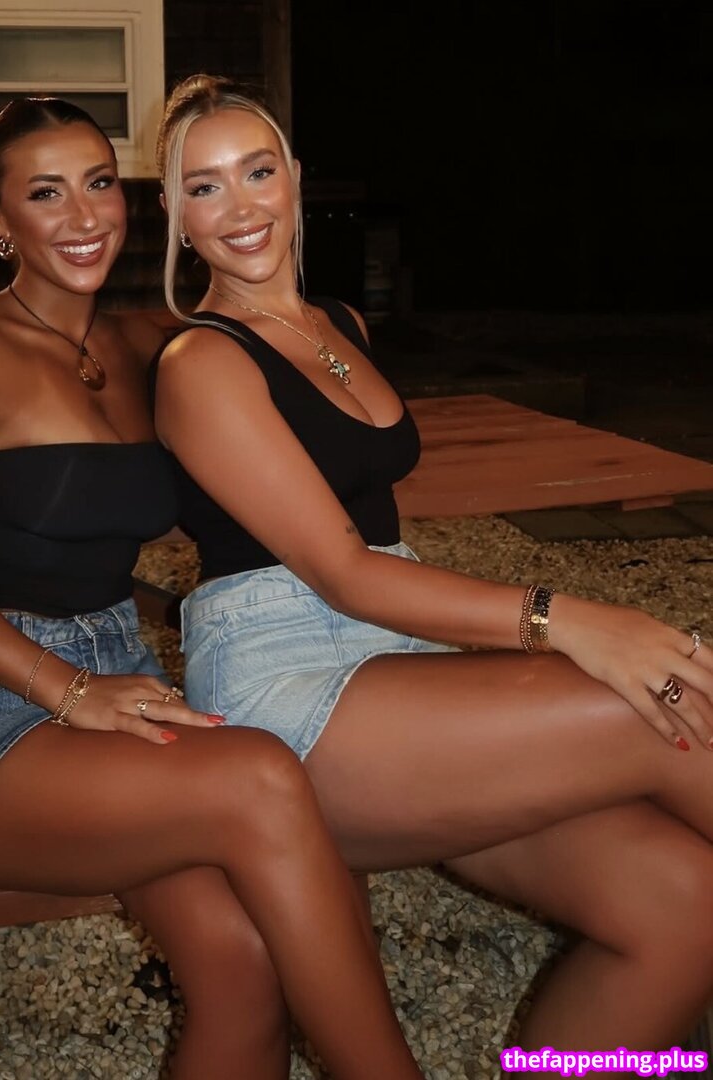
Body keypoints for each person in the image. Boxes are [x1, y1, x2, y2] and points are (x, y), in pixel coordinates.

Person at [149, 73, 713, 1069]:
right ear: (175, 214)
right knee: (669, 697)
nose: (239, 206)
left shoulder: (338, 325)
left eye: (257, 171)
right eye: (204, 187)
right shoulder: (201, 363)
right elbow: (342, 573)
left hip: (396, 666)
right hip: (288, 692)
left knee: (683, 902)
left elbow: (378, 559)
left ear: (294, 179)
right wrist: (568, 619)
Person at [0, 96, 427, 1080]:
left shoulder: (146, 345)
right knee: (263, 775)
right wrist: (70, 689)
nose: (83, 216)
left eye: (100, 184)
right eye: (46, 193)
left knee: (245, 964)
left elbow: (267, 400)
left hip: (122, 686)